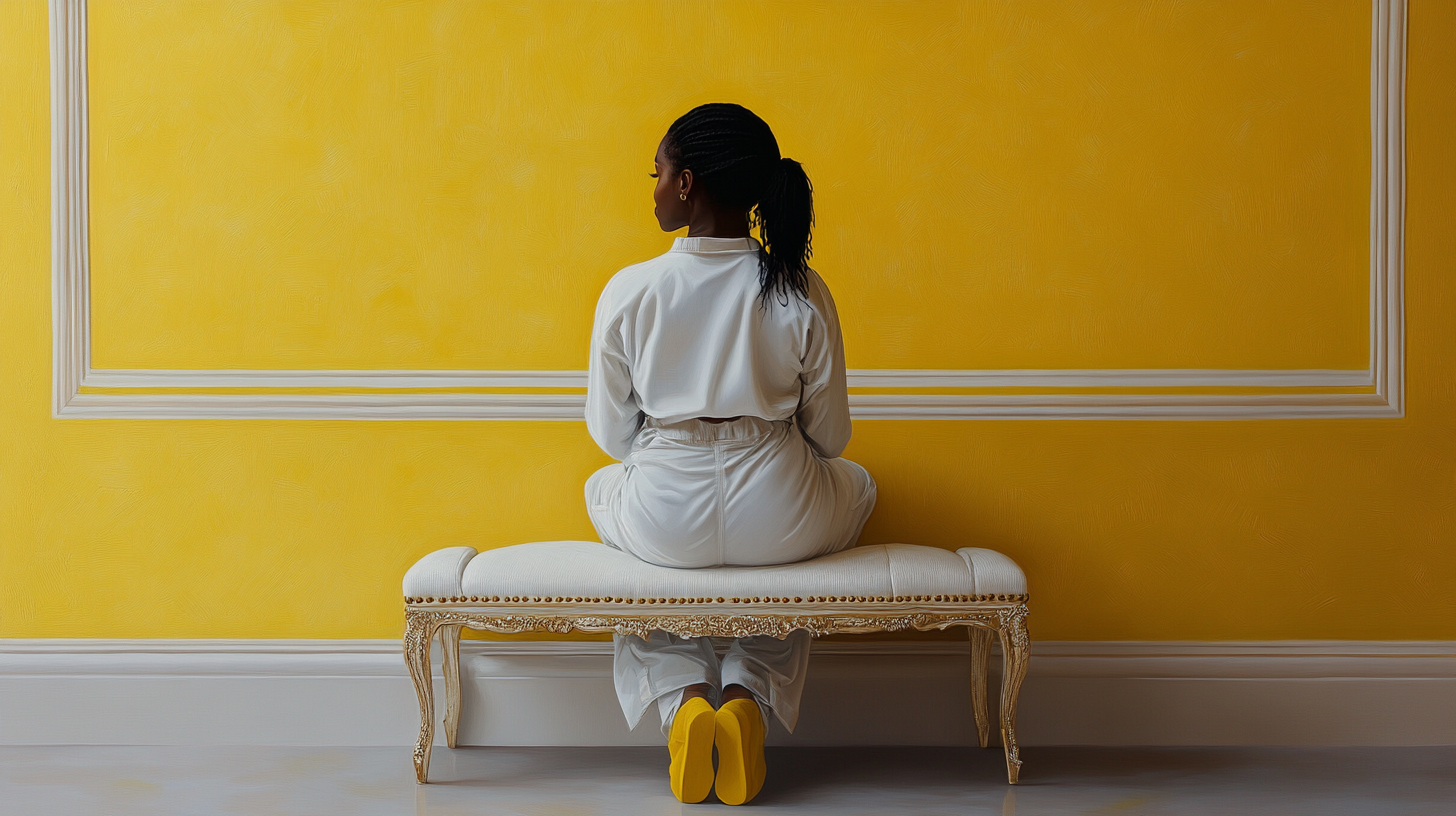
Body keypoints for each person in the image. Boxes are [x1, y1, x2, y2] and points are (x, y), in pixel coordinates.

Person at [584, 102, 877, 805]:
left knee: (605, 496)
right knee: (857, 489)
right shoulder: (801, 288)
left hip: (666, 511)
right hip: (778, 507)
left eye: (656, 172)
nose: (651, 186)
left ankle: (683, 698)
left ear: (686, 185)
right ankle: (749, 688)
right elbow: (832, 440)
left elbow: (612, 436)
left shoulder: (631, 290)